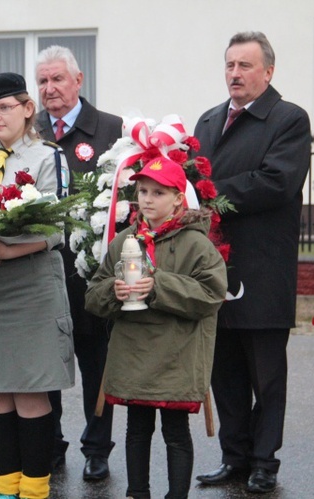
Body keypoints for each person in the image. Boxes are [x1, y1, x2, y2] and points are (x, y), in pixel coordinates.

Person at [192, 32, 311, 494]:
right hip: (212, 270)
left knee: (267, 375)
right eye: (229, 65)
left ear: (268, 72)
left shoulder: (288, 119)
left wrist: (210, 199)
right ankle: (234, 457)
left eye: (245, 65)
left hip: (262, 269)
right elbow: (188, 176)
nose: (235, 74)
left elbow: (276, 182)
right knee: (225, 372)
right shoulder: (208, 120)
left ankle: (265, 462)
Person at [0, 72, 75, 499]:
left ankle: (35, 490)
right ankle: (6, 489)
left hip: (31, 285)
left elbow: (58, 225)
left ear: (28, 109)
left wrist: (9, 251)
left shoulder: (48, 156)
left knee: (29, 390)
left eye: (4, 107)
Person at [84, 157, 227, 499]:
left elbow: (212, 294)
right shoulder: (125, 241)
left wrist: (158, 285)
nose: (147, 199)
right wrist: (112, 292)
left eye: (158, 193)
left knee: (175, 432)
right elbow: (94, 293)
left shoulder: (196, 244)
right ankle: (138, 493)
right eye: (142, 191)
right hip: (134, 351)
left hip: (175, 353)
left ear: (179, 197)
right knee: (137, 429)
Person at [34, 44, 123, 480]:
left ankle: (97, 447)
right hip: (40, 271)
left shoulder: (109, 128)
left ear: (78, 80)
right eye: (43, 82)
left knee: (95, 362)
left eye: (58, 79)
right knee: (46, 364)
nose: (50, 89)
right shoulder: (27, 130)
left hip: (91, 274)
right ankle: (49, 444)